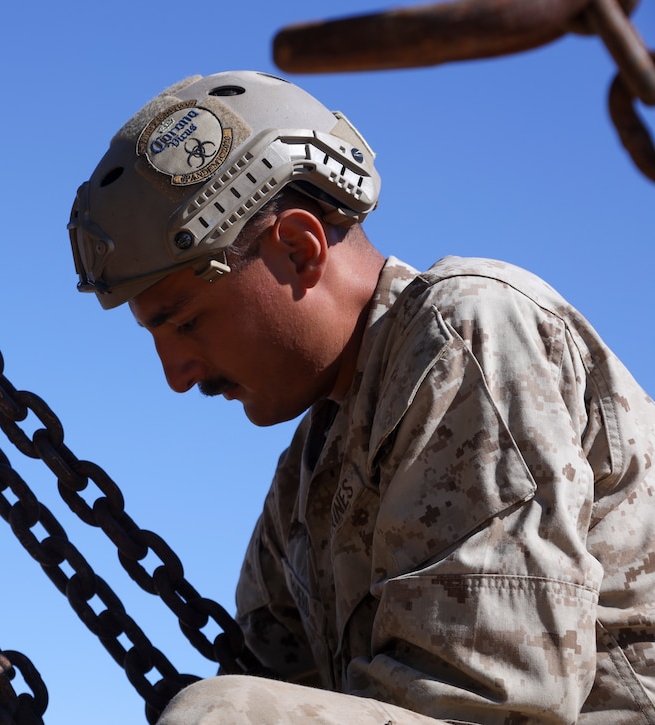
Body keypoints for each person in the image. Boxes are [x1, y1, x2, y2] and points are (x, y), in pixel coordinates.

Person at [67, 70, 655, 723]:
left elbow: (489, 705)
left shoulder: (465, 329)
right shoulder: (305, 479)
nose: (175, 373)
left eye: (183, 321)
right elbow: (284, 683)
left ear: (298, 248)